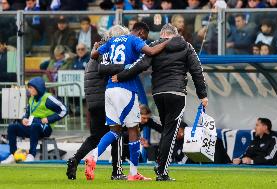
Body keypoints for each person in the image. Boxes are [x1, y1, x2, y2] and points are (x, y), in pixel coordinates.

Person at [112, 23, 208, 181]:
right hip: (176, 92)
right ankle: (162, 170)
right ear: (175, 34)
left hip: (158, 93)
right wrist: (202, 95)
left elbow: (140, 65)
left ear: (162, 34)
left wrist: (121, 76)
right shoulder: (186, 46)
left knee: (166, 129)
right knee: (171, 131)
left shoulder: (154, 46)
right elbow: (196, 70)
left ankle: (160, 163)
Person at [85, 22, 169, 181]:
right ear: (141, 32)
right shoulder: (133, 39)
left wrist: (95, 47)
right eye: (144, 36)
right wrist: (168, 41)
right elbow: (151, 51)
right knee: (133, 129)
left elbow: (94, 56)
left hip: (109, 90)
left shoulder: (110, 42)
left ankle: (93, 156)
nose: (143, 39)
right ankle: (133, 172)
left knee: (114, 131)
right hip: (126, 89)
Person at [66, 26, 128, 180]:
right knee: (116, 134)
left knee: (95, 137)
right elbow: (105, 69)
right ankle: (116, 172)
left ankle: (75, 159)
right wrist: (126, 67)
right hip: (104, 100)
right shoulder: (106, 52)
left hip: (93, 102)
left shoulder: (96, 51)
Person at [1, 77, 67, 164]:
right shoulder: (31, 98)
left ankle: (31, 155)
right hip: (32, 127)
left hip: (45, 129)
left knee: (35, 126)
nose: (29, 90)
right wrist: (24, 118)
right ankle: (13, 154)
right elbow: (28, 112)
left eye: (31, 87)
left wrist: (48, 119)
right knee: (12, 127)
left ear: (38, 88)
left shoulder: (48, 98)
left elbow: (64, 110)